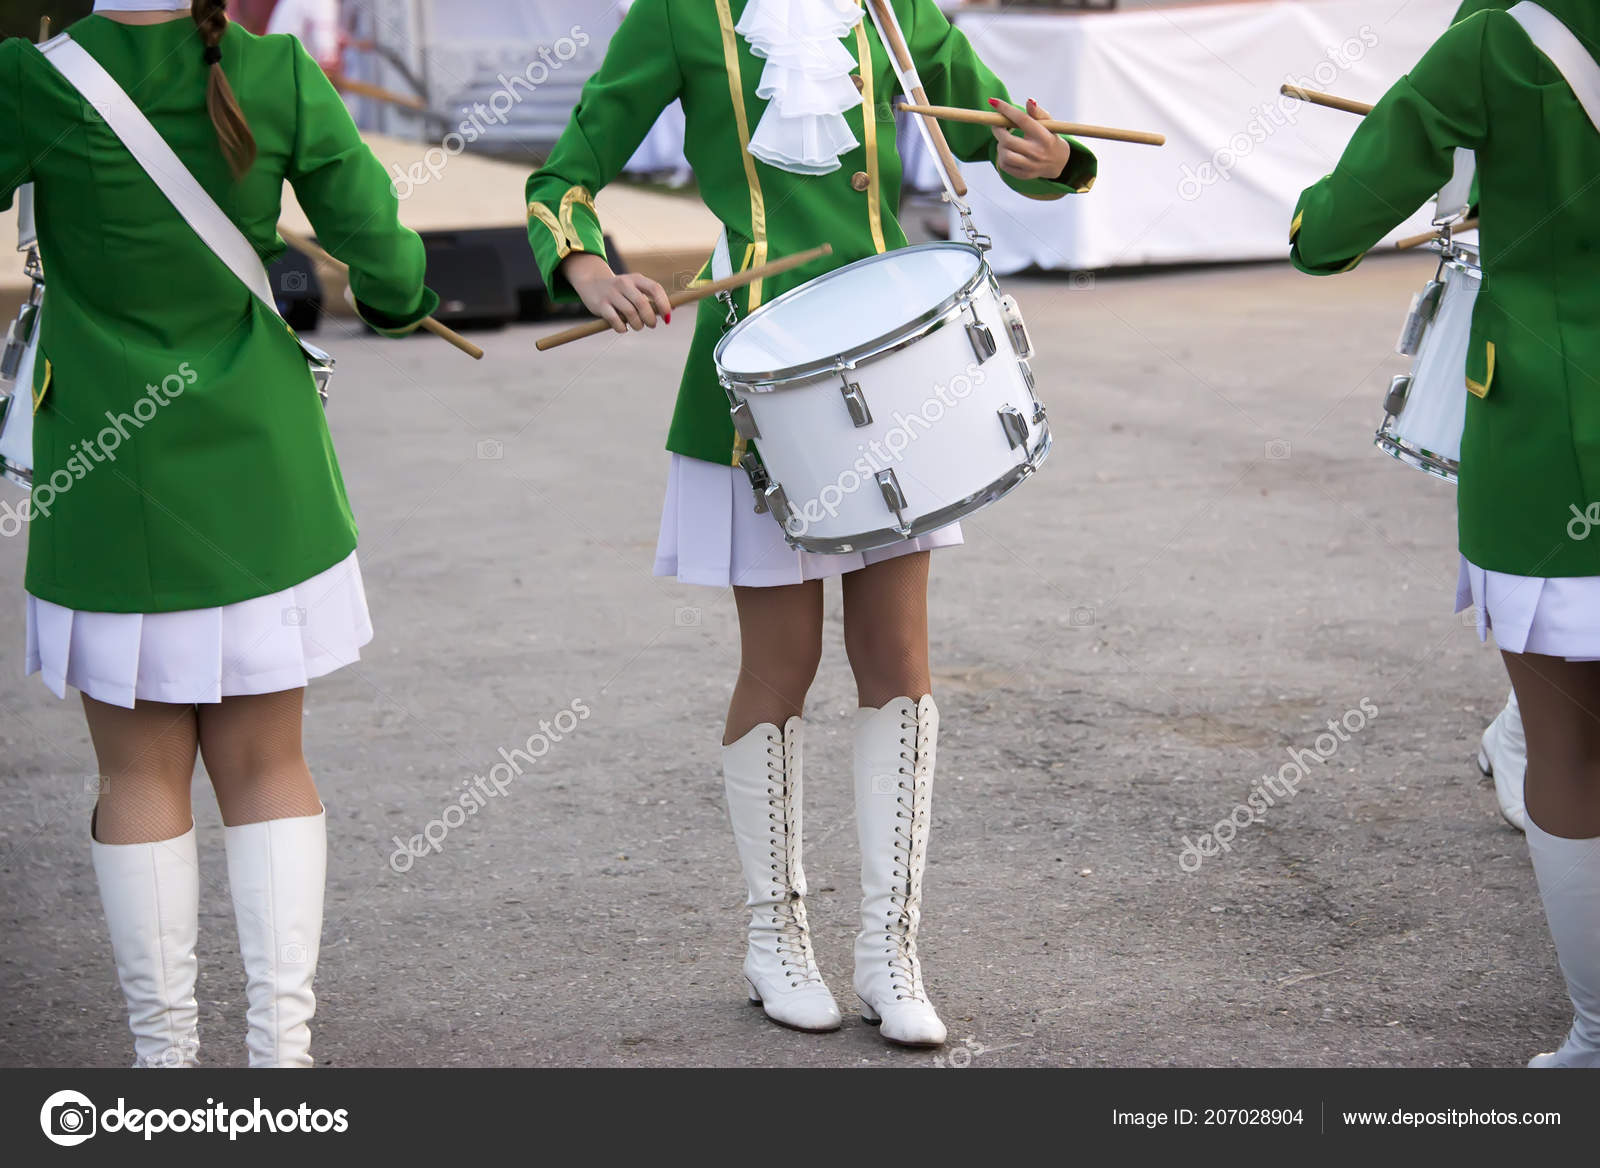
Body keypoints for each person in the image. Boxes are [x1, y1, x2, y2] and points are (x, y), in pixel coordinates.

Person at [524, 0, 1094, 1048]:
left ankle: (890, 950)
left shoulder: (888, 6)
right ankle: (774, 940)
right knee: (780, 666)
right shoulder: (679, 12)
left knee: (899, 660)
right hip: (763, 379)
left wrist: (1052, 159)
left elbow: (993, 131)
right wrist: (590, 268)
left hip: (895, 358)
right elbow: (564, 175)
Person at [0, 0, 437, 1067]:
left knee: (137, 779)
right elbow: (380, 251)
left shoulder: (31, 79)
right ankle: (279, 1063)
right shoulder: (275, 70)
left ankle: (165, 1070)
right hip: (261, 470)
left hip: (107, 476)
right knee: (267, 762)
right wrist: (398, 301)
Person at [1291, 0, 1600, 1067]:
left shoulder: (1495, 37)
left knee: (1567, 747)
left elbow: (1329, 235)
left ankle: (1598, 1036)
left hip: (1552, 441)